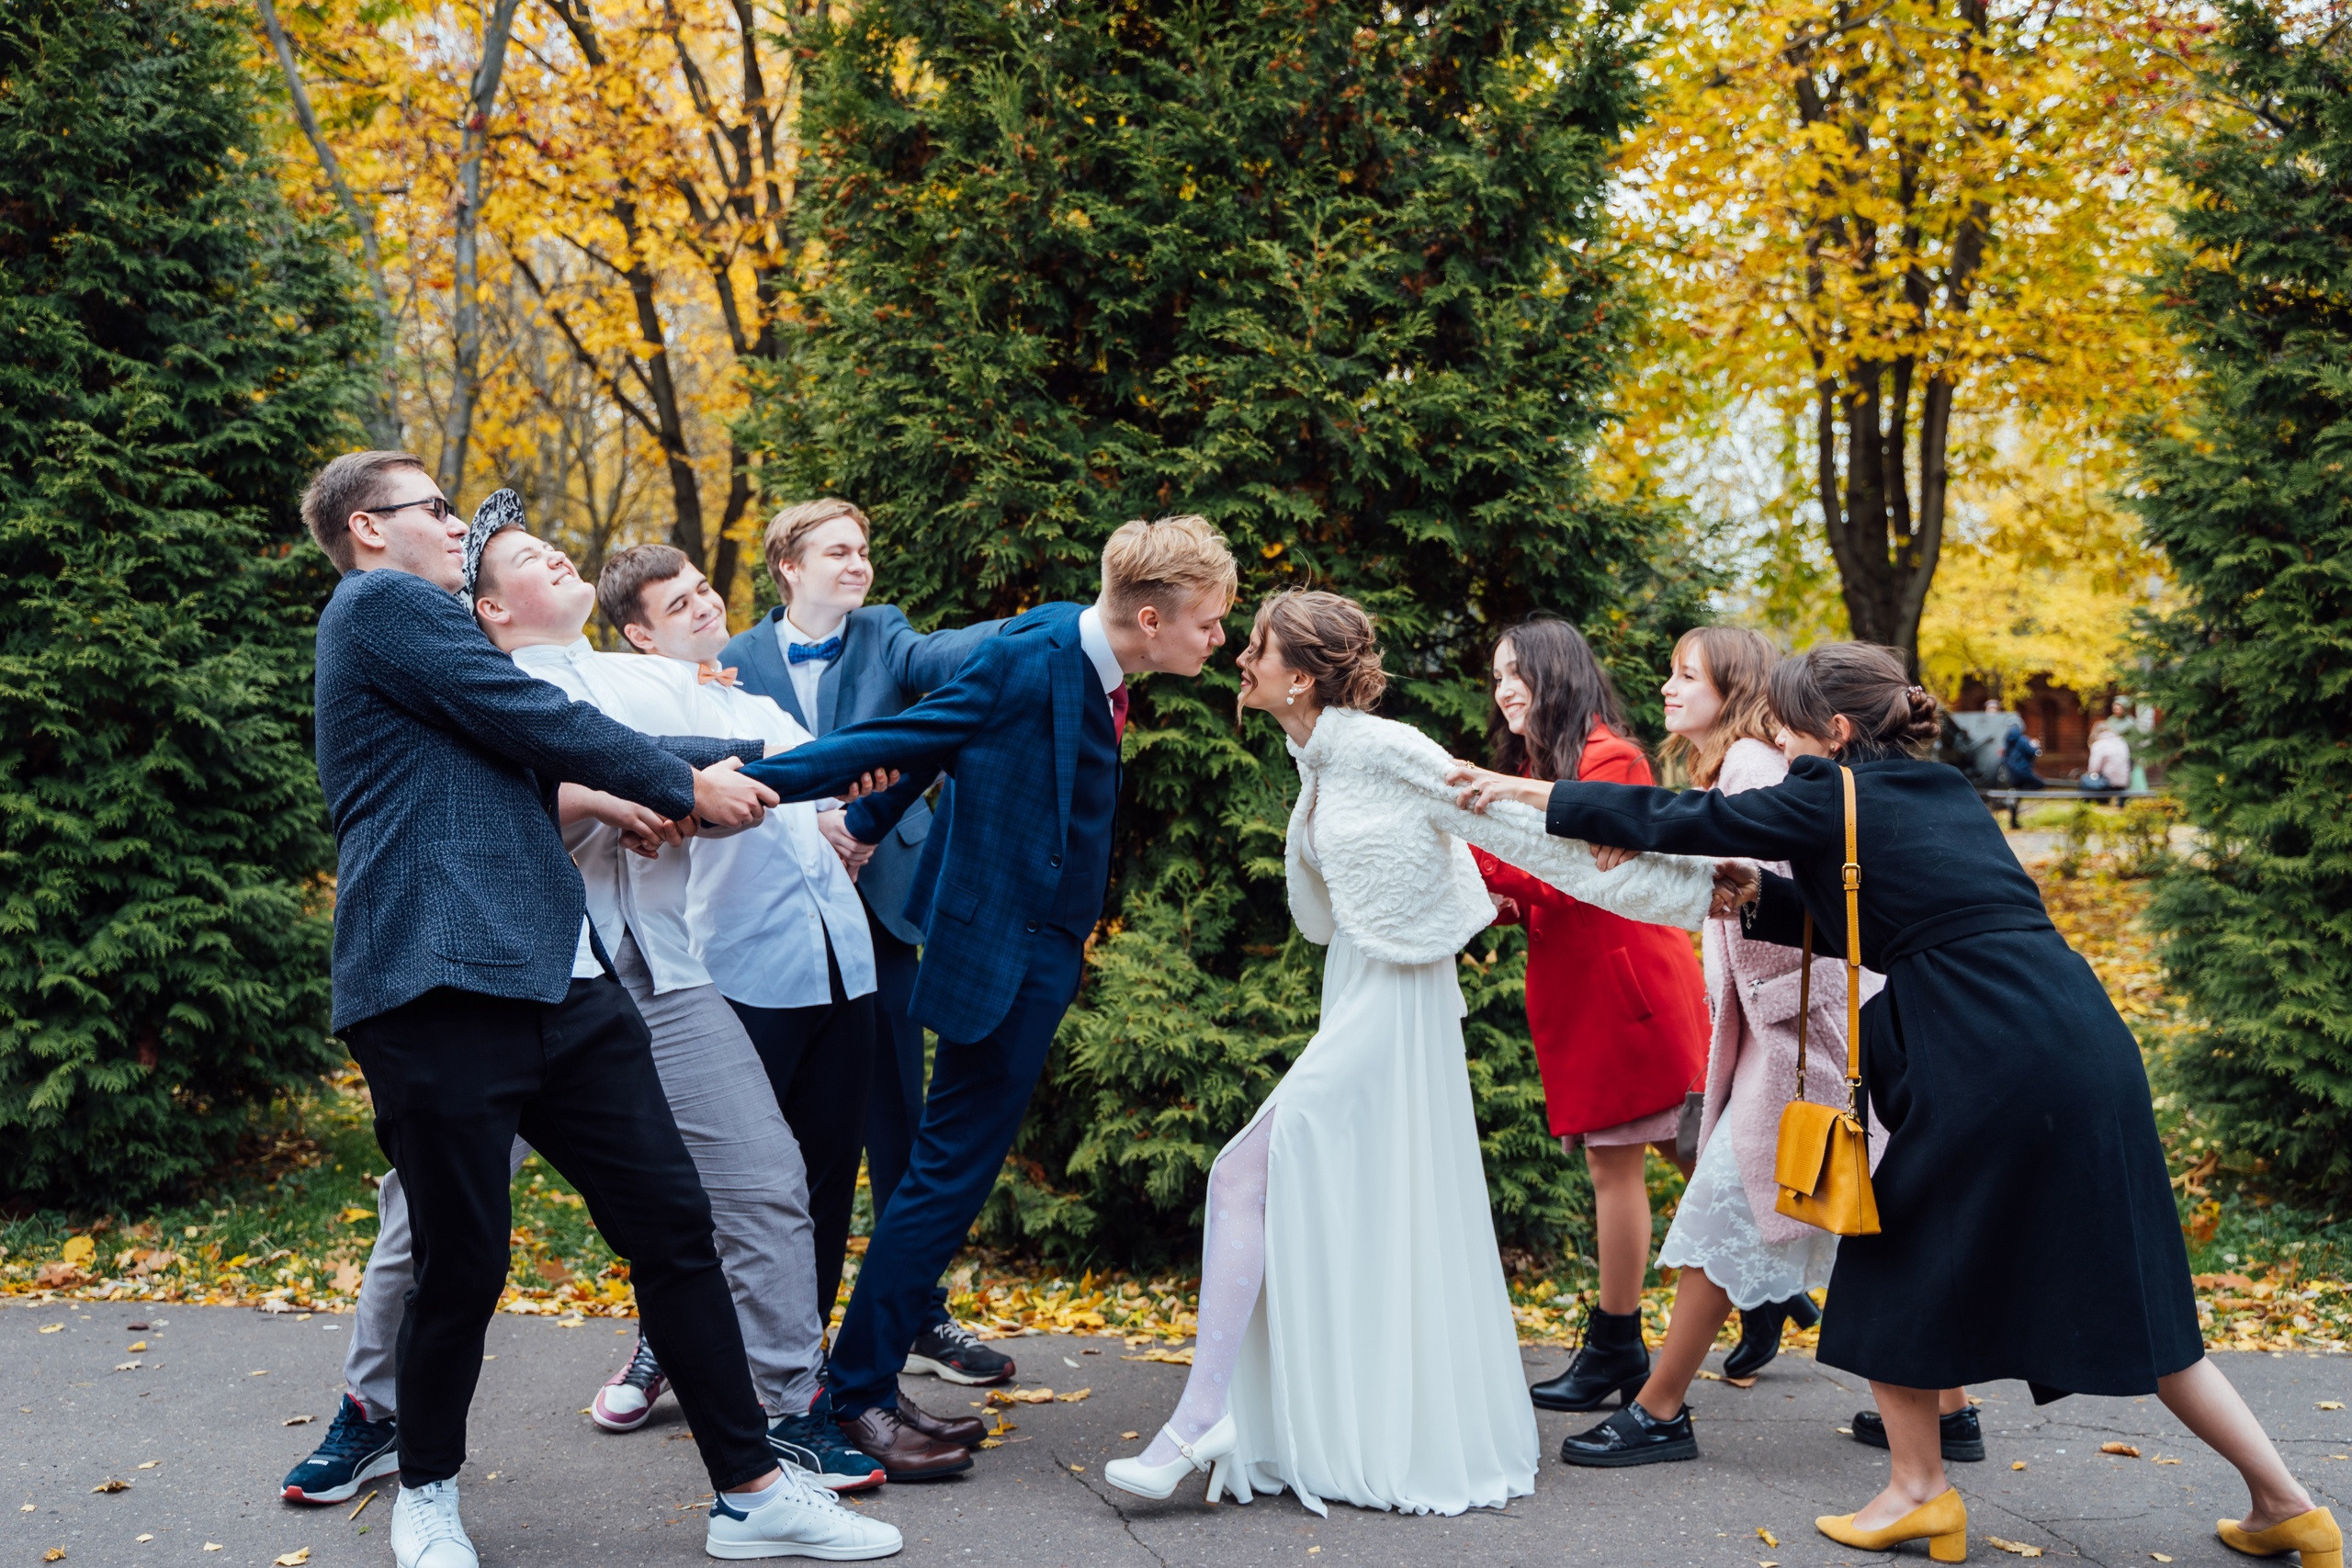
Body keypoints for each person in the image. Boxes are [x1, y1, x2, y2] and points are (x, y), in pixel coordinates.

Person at [1449, 641, 2335, 1568]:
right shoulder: (1942, 791)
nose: (1779, 745)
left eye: (1788, 729)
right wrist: (1759, 896)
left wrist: (1521, 791)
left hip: (1982, 1049)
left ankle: (1919, 1493)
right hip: (2078, 1037)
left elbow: (1680, 814)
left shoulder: (1827, 792)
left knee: (1885, 1257)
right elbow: (1904, 922)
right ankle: (2289, 1504)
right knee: (2140, 1295)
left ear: (1834, 732)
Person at [302, 451, 897, 1565]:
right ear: (369, 529)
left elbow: (570, 744)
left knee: (673, 1227)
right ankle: (425, 1490)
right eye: (435, 507)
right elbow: (540, 719)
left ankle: (752, 1493)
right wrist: (688, 784)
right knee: (461, 1261)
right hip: (436, 987)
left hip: (562, 982)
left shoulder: (438, 658)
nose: (455, 523)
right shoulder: (379, 607)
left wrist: (782, 762)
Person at [1101, 590, 1739, 1516]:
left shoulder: (1382, 746)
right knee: (1323, 1193)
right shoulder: (1315, 755)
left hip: (1396, 1002)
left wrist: (1693, 884)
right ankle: (1310, 1420)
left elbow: (1523, 834)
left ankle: (1200, 1420)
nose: (1240, 658)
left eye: (1258, 647)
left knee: (1242, 1173)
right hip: (1355, 990)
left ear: (1302, 675)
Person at [740, 515, 1238, 1482]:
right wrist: (724, 787)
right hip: (1000, 953)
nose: (1218, 637)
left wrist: (871, 820)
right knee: (944, 1176)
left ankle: (865, 1382)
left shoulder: (1079, 646)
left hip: (1040, 953)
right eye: (1209, 622)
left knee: (946, 1173)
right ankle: (856, 1396)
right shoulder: (1031, 656)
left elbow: (944, 746)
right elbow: (903, 736)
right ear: (1150, 619)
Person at [601, 538, 991, 1459]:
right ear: (638, 635)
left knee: (819, 1183)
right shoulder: (631, 707)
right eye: (679, 604)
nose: (706, 605)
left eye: (704, 589)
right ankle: (666, 1346)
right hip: (739, 974)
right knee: (716, 1189)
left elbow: (817, 810)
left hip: (839, 967)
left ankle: (802, 1380)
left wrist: (856, 800)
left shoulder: (762, 705)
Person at [715, 499, 1012, 1388]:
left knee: (899, 1122)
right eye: (838, 552)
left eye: (864, 551)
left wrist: (1039, 635)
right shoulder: (733, 657)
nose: (858, 565)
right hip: (776, 911)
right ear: (788, 566)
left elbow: (943, 658)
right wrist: (817, 823)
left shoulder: (887, 632)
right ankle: (774, 1329)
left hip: (881, 900)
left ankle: (917, 1314)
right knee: (778, 1130)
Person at [1468, 617, 1712, 1417]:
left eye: (1518, 672)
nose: (1505, 689)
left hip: (1625, 989)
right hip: (1585, 992)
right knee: (1688, 1152)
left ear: (1557, 675)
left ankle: (1618, 1340)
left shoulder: (1609, 758)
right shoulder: (1535, 768)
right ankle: (1762, 1289)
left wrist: (1472, 851)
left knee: (1629, 1161)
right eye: (1497, 675)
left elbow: (1564, 872)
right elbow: (1535, 879)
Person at [1993, 698, 2048, 790]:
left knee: (2019, 786)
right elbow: (2033, 752)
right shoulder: (2023, 740)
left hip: (2011, 773)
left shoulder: (2006, 741)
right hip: (2023, 771)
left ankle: (2017, 793)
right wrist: (2035, 746)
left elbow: (2004, 755)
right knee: (2040, 784)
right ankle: (2023, 792)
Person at [2083, 719, 2131, 793]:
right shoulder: (2121, 742)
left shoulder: (2098, 744)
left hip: (2107, 783)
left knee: (2084, 782)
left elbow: (2094, 768)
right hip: (2123, 782)